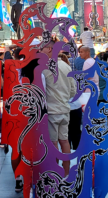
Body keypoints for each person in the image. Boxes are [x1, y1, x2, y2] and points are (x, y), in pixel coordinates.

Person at [41, 40, 76, 177]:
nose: (40, 51)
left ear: (49, 49)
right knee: (65, 141)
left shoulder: (45, 67)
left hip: (51, 110)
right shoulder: (66, 66)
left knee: (53, 142)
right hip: (65, 108)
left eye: (42, 48)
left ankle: (55, 172)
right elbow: (73, 91)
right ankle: (66, 172)